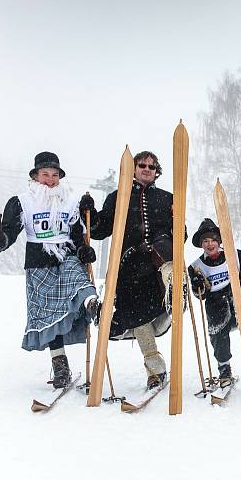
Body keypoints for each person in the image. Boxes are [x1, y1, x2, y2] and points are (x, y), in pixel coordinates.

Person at [0, 152, 98, 388]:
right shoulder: (22, 202)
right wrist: (0, 239)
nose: (50, 179)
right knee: (49, 319)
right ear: (35, 176)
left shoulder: (70, 201)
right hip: (39, 263)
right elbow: (10, 231)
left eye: (55, 175)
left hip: (65, 255)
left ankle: (92, 304)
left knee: (78, 278)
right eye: (45, 174)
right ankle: (61, 367)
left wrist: (83, 250)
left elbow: (79, 236)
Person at [80, 151, 178, 390]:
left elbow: (181, 234)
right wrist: (89, 215)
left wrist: (176, 226)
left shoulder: (167, 199)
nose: (146, 169)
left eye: (151, 167)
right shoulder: (118, 197)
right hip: (130, 269)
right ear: (133, 169)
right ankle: (155, 371)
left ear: (157, 171)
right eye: (142, 165)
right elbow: (101, 230)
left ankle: (176, 285)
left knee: (165, 245)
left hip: (158, 266)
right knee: (139, 319)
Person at [187, 218, 241, 384]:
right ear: (201, 244)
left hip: (236, 297)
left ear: (219, 241)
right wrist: (198, 286)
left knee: (236, 299)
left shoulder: (235, 255)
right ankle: (224, 369)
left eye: (213, 240)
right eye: (205, 241)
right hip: (215, 304)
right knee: (218, 336)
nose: (210, 244)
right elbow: (200, 295)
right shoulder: (196, 266)